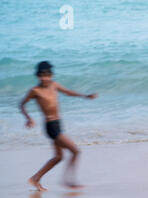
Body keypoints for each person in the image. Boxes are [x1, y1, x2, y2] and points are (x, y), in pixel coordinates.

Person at [19, 61, 97, 191]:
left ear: (51, 75)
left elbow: (68, 92)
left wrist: (85, 96)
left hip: (58, 124)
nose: (45, 78)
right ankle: (68, 180)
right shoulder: (35, 90)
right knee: (75, 151)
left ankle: (35, 178)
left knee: (58, 157)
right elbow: (22, 104)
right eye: (42, 76)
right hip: (51, 127)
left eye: (47, 75)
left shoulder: (54, 85)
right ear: (38, 76)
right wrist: (28, 118)